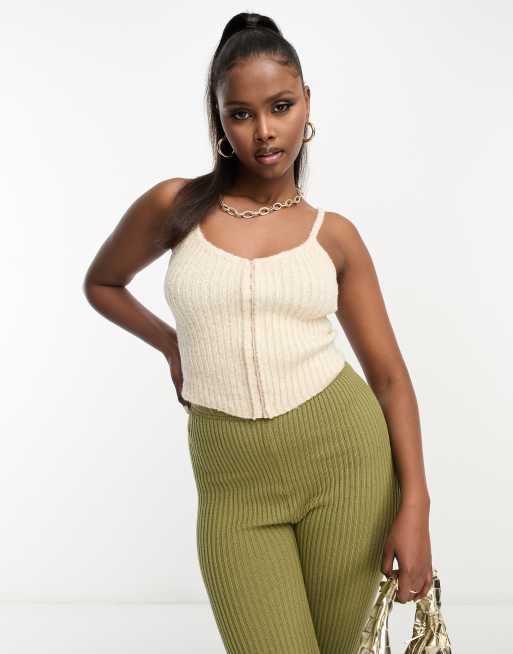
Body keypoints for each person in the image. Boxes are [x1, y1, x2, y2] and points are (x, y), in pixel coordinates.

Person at [83, 11, 432, 654]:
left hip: (345, 465)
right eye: (240, 114)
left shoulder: (334, 236)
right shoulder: (175, 207)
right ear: (219, 120)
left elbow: (389, 378)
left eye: (280, 106)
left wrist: (416, 508)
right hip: (232, 484)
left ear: (307, 104)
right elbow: (102, 283)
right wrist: (172, 346)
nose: (264, 131)